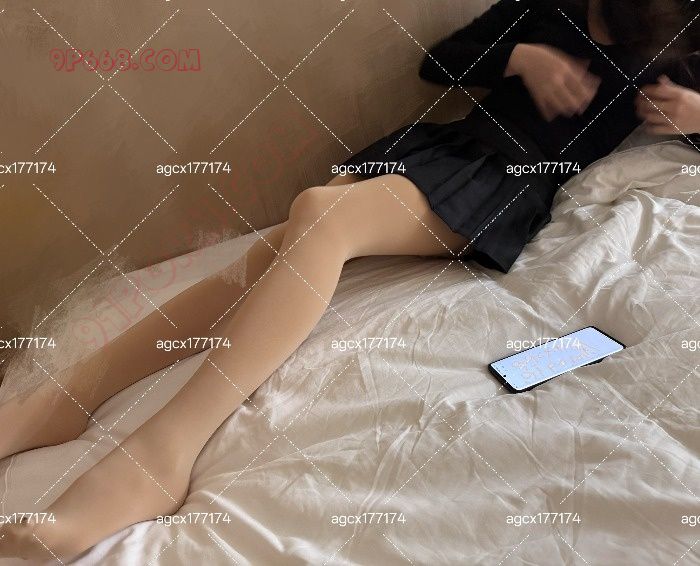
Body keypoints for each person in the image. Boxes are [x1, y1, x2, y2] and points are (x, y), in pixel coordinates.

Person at [1, 0, 699, 560]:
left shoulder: (674, 38)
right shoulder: (548, 5)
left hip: (501, 185)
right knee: (282, 248)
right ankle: (63, 404)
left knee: (319, 217)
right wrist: (522, 55)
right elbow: (440, 60)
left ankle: (161, 453)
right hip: (437, 150)